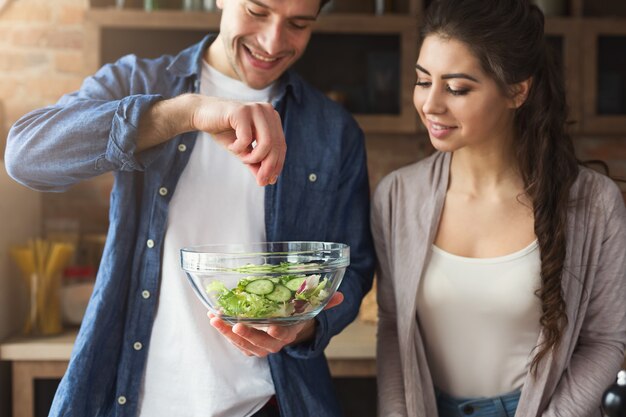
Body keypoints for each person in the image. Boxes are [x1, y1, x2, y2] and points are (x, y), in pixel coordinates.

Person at [4, 0, 375, 416]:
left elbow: (354, 266)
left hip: (268, 401)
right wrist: (187, 112)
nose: (273, 41)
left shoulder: (334, 131)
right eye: (256, 12)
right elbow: (26, 156)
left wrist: (303, 326)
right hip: (134, 400)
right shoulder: (138, 80)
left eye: (299, 24)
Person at [371, 0, 626, 416]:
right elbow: (393, 333)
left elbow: (604, 341)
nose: (431, 104)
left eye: (456, 88)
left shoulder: (592, 204)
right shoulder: (397, 197)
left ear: (516, 91)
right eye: (423, 81)